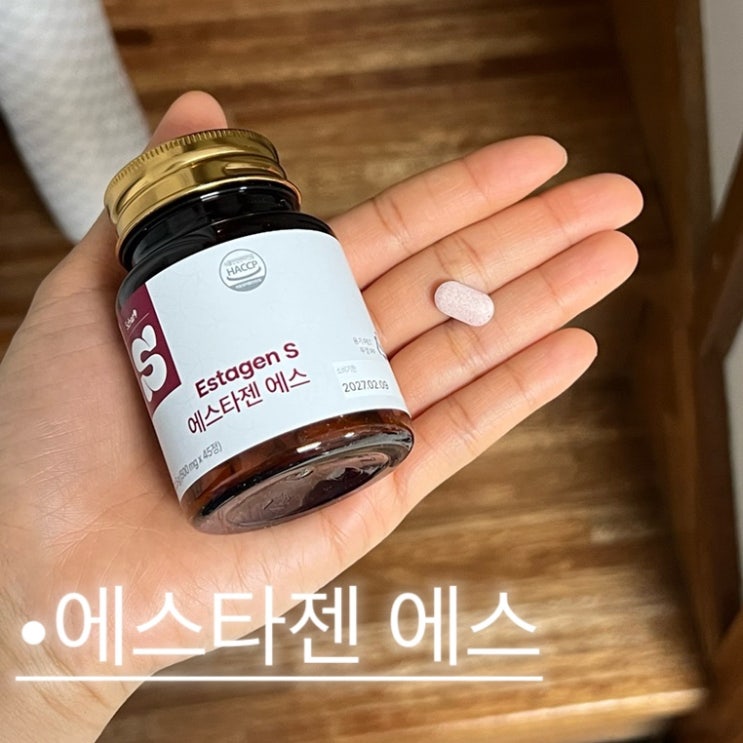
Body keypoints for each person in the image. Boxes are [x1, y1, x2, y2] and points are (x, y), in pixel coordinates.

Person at [0, 91, 642, 741]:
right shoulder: (146, 288)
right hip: (230, 465)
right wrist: (27, 642)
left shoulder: (290, 241)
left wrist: (33, 656)